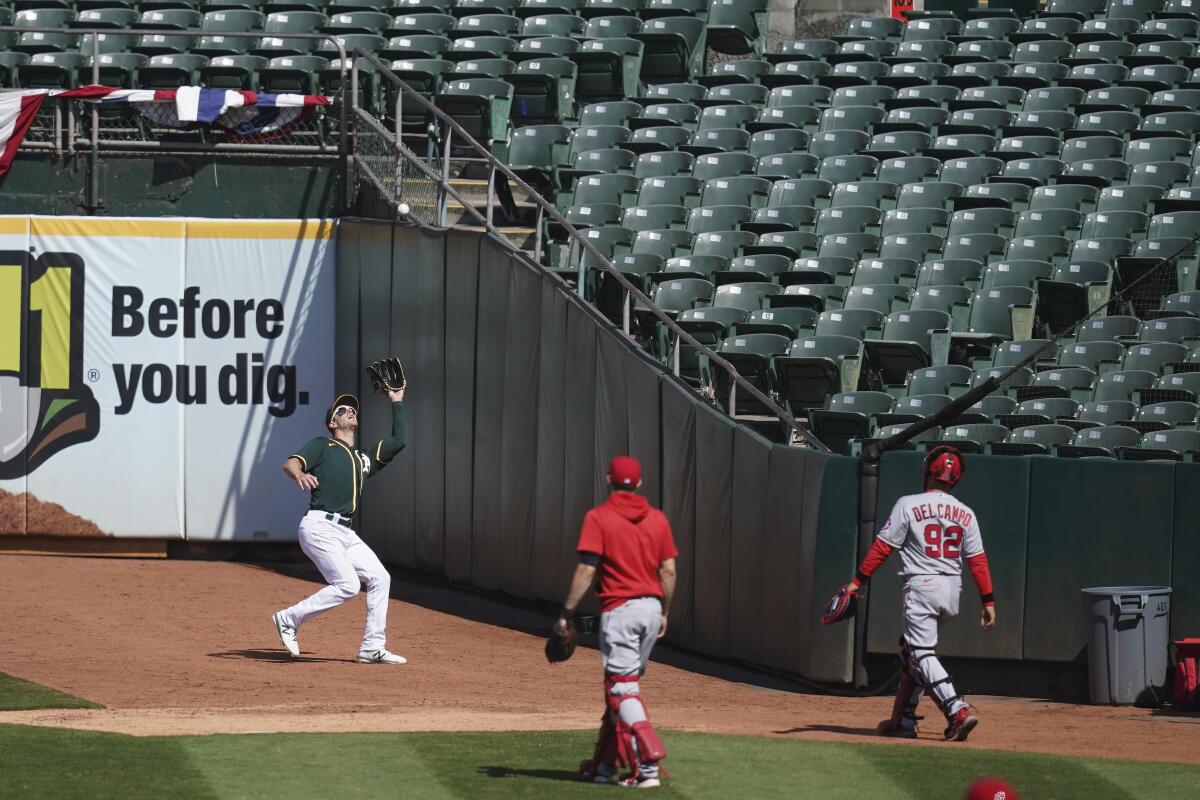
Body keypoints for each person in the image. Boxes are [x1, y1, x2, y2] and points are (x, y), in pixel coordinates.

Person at [846, 445, 996, 742]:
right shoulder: (966, 512)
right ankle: (902, 720)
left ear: (929, 470)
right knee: (911, 653)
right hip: (952, 589)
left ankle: (957, 710)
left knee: (921, 652)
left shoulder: (908, 504)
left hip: (922, 586)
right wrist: (988, 600)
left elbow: (883, 548)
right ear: (956, 478)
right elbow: (977, 560)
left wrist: (857, 581)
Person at [556, 456, 678, 788]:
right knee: (622, 688)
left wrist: (568, 612)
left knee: (621, 690)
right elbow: (668, 570)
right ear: (639, 483)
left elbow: (587, 568)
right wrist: (664, 611)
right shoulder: (658, 519)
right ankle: (604, 767)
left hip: (621, 610)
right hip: (651, 611)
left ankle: (648, 766)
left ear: (608, 479)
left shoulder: (599, 517)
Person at [271, 388, 408, 665]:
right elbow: (290, 463)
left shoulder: (363, 460)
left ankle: (372, 647)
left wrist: (396, 401)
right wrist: (301, 474)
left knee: (381, 578)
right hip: (319, 526)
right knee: (348, 584)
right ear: (333, 423)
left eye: (352, 409)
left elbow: (400, 440)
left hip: (346, 532)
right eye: (342, 410)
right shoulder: (324, 445)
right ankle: (289, 618)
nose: (350, 411)